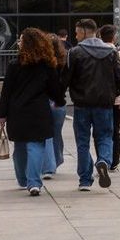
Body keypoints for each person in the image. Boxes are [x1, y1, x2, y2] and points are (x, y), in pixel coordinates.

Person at [0, 27, 67, 196]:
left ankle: (22, 179)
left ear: (26, 44)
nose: (19, 43)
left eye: (21, 40)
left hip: (17, 112)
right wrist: (59, 101)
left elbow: (6, 91)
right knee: (36, 146)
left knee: (20, 146)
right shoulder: (47, 65)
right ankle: (34, 182)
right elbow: (54, 89)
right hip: (39, 111)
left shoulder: (14, 65)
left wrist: (2, 114)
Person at [67, 18, 120, 190]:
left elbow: (66, 77)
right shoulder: (111, 52)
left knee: (82, 141)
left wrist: (58, 97)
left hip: (81, 104)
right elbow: (119, 76)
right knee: (105, 136)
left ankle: (85, 180)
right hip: (104, 103)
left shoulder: (75, 52)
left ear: (85, 32)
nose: (76, 36)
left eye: (78, 32)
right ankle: (103, 161)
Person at [99, 24, 120, 171]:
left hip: (99, 98)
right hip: (117, 99)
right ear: (115, 37)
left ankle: (102, 158)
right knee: (115, 130)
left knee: (101, 131)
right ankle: (114, 161)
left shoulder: (96, 53)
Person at [47, 33, 69, 173]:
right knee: (56, 132)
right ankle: (57, 159)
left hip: (46, 100)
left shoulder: (43, 63)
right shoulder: (63, 62)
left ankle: (49, 163)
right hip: (59, 101)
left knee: (46, 134)